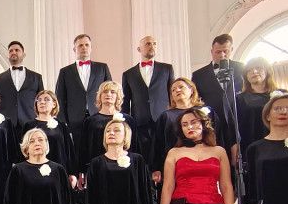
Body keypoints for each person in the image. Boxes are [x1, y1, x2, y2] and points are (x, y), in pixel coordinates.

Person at [120, 35, 174, 165]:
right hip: (140, 122)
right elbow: (125, 102)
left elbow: (172, 95)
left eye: (154, 44)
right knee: (144, 159)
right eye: (148, 44)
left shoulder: (167, 69)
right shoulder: (128, 74)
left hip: (163, 119)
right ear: (139, 49)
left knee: (165, 156)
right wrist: (126, 124)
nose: (152, 46)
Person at [191, 34, 244, 161]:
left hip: (239, 121)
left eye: (225, 51)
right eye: (218, 52)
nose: (222, 55)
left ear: (231, 50)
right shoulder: (198, 75)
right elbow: (196, 101)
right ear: (211, 51)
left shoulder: (241, 68)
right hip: (213, 125)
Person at [151, 77, 214, 183]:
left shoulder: (206, 112)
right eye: (173, 90)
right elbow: (158, 143)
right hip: (176, 167)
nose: (177, 90)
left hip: (206, 163)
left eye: (181, 87)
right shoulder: (166, 116)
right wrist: (156, 168)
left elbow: (217, 135)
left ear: (191, 90)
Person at [55, 34, 113, 145]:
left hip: (100, 117)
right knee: (77, 152)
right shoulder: (65, 72)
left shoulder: (102, 68)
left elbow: (110, 93)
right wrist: (63, 123)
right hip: (74, 120)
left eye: (87, 45)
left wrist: (110, 115)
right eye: (80, 45)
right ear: (74, 49)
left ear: (91, 48)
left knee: (99, 149)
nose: (84, 47)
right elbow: (59, 98)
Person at [20, 90, 77, 187]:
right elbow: (23, 150)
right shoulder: (28, 125)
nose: (42, 102)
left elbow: (69, 150)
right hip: (34, 171)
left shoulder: (61, 125)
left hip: (59, 171)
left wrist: (73, 173)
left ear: (54, 104)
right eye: (39, 100)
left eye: (46, 99)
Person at [79, 81, 134, 176]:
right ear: (99, 96)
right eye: (105, 92)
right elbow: (83, 148)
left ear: (118, 96)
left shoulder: (128, 120)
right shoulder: (90, 121)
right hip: (97, 168)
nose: (108, 94)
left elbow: (133, 145)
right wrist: (82, 171)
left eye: (112, 92)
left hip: (123, 167)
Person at [0, 41, 44, 135]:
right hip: (5, 124)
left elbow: (41, 100)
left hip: (30, 122)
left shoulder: (36, 77)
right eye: (11, 51)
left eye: (17, 50)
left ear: (24, 55)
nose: (13, 52)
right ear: (8, 55)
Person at [236, 57, 283, 155]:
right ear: (246, 76)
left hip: (281, 143)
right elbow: (236, 127)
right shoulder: (239, 99)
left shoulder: (282, 94)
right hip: (253, 147)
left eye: (258, 68)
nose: (254, 72)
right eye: (249, 70)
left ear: (267, 71)